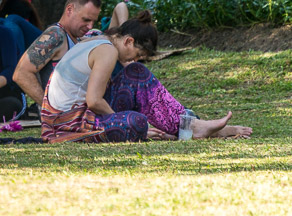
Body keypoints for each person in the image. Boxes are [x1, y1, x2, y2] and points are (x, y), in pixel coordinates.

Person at [42, 11, 253, 143]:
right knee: (138, 122)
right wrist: (124, 121)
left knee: (137, 73)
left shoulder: (97, 37)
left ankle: (193, 125)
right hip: (66, 124)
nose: (134, 59)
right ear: (128, 41)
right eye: (137, 54)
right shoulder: (107, 51)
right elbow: (94, 100)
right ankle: (191, 128)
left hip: (78, 114)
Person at [13, 0, 103, 108]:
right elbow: (21, 73)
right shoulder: (56, 35)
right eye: (86, 20)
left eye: (93, 21)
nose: (90, 26)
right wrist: (49, 109)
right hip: (62, 118)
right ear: (70, 10)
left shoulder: (79, 38)